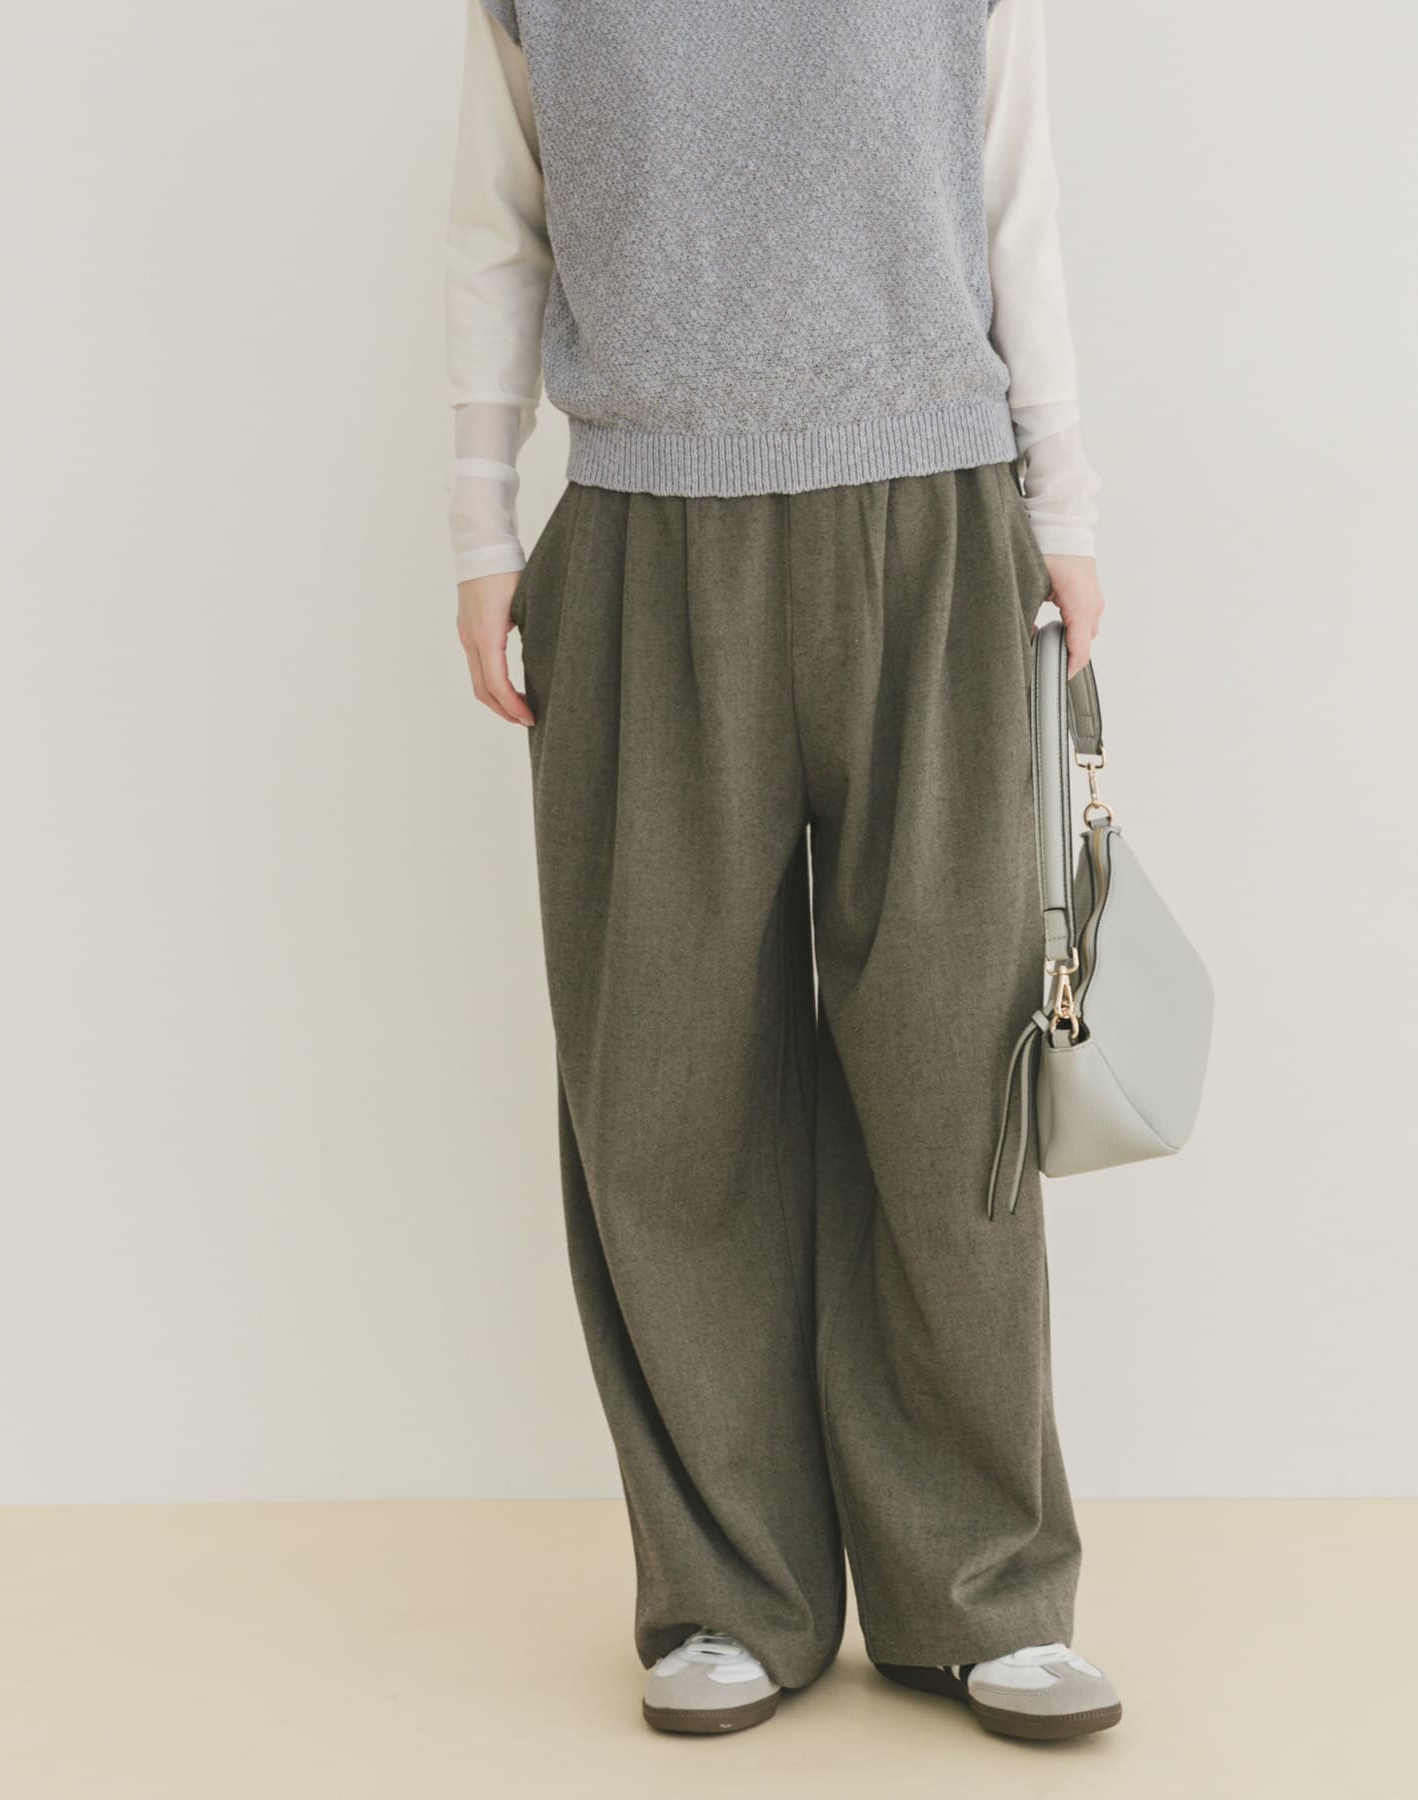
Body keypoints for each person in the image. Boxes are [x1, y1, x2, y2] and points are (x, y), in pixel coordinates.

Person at [446, 0, 1119, 1744]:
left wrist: (1064, 502)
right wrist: (476, 517)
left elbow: (1012, 190)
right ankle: (728, 1588)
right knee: (663, 1084)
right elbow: (500, 212)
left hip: (936, 513)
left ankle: (980, 1592)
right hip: (642, 528)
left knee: (952, 1071)